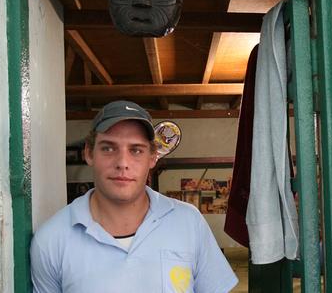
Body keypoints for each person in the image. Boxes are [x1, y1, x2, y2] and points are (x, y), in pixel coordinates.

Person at [30, 100, 238, 292]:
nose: (123, 162)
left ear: (153, 157)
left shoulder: (189, 222)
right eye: (108, 148)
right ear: (89, 153)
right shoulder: (51, 240)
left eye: (136, 150)